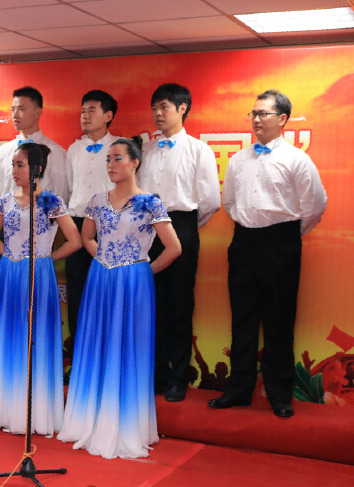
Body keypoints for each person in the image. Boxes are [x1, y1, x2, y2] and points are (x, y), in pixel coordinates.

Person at [59, 137, 181, 459]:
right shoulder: (98, 200)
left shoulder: (150, 202)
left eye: (117, 158)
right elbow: (87, 237)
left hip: (133, 283)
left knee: (128, 346)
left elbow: (174, 248)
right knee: (96, 343)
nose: (111, 165)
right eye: (108, 159)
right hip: (101, 279)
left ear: (135, 162)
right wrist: (105, 259)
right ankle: (89, 419)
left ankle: (124, 425)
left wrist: (141, 270)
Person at [211, 89, 327, 419]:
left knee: (279, 321)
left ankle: (279, 393)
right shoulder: (238, 159)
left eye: (264, 113)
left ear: (283, 119)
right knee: (242, 319)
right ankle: (238, 389)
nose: (257, 120)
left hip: (281, 244)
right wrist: (253, 228)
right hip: (244, 242)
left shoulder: (297, 159)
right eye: (254, 114)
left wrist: (285, 235)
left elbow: (315, 206)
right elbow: (229, 203)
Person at [0, 143, 81, 437]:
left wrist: (45, 258)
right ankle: (5, 409)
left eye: (20, 165)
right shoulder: (5, 201)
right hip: (10, 275)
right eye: (13, 165)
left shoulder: (51, 201)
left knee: (35, 337)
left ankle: (36, 413)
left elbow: (75, 241)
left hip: (39, 276)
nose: (14, 171)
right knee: (10, 335)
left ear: (37, 169)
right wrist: (12, 256)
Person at [136, 83, 220, 403]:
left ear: (182, 109)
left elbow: (210, 201)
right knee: (152, 304)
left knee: (180, 306)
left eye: (165, 107)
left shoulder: (199, 150)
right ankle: (156, 374)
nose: (158, 113)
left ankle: (177, 378)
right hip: (147, 232)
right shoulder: (145, 151)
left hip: (182, 227)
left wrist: (183, 228)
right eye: (154, 107)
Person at [64, 90, 120, 367]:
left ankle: (106, 362)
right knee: (77, 294)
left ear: (108, 116)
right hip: (76, 226)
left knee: (107, 294)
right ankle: (79, 363)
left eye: (92, 110)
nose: (84, 116)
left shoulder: (120, 148)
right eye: (83, 110)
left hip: (108, 227)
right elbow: (69, 188)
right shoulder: (73, 149)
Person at [0, 86, 68, 200]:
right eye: (13, 109)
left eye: (21, 109)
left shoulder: (55, 152)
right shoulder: (3, 151)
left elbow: (60, 195)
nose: (15, 115)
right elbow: (1, 192)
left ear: (38, 112)